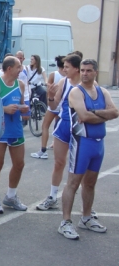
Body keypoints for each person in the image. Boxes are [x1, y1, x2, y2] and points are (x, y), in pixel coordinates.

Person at [58, 59, 118, 240]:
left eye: (88, 71)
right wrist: (102, 113)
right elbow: (83, 116)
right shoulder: (76, 92)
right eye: (82, 70)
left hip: (98, 143)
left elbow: (115, 112)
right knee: (73, 183)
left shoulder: (103, 91)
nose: (84, 73)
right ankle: (66, 222)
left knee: (90, 183)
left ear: (95, 73)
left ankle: (86, 217)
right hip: (82, 143)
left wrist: (96, 113)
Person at [36, 54, 83, 211]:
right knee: (59, 163)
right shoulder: (64, 82)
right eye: (64, 66)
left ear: (76, 69)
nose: (64, 69)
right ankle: (52, 196)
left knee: (80, 167)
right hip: (64, 126)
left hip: (81, 129)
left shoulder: (87, 84)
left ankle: (85, 202)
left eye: (67, 67)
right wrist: (50, 96)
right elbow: (55, 106)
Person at [0, 56, 29, 214]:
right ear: (9, 68)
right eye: (19, 66)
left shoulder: (20, 84)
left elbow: (20, 103)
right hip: (0, 130)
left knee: (19, 164)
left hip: (16, 129)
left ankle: (11, 196)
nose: (22, 69)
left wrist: (23, 108)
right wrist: (4, 109)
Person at [31, 55, 66, 159]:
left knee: (45, 126)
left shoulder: (54, 74)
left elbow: (48, 89)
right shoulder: (68, 77)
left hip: (53, 104)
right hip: (62, 105)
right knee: (57, 126)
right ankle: (56, 144)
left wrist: (48, 102)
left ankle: (43, 150)